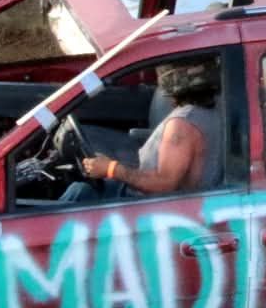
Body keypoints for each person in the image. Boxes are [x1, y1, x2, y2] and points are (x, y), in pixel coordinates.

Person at [64, 60, 223, 202]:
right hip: (147, 196)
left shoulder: (182, 125)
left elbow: (164, 185)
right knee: (81, 189)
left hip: (144, 206)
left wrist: (111, 168)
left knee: (79, 193)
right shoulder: (209, 112)